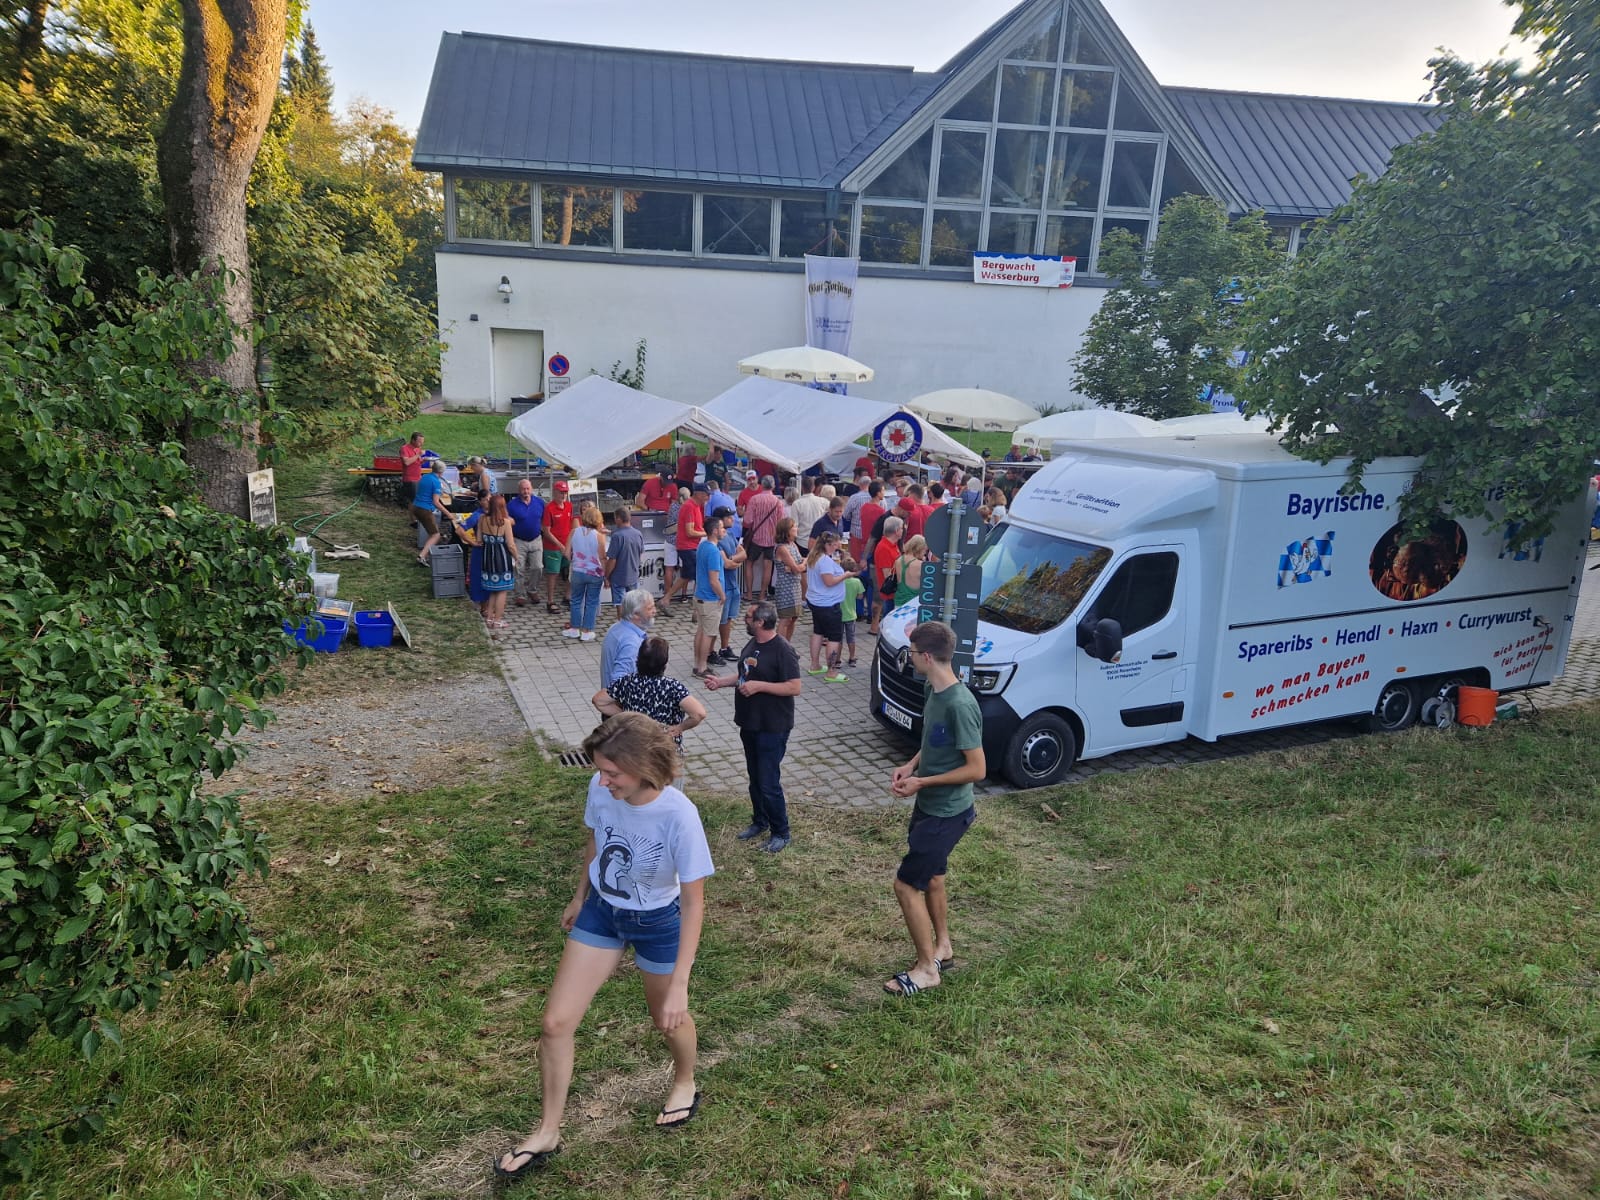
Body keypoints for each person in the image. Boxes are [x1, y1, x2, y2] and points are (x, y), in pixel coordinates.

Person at [492, 715, 714, 1183]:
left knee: (667, 1019)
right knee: (555, 1024)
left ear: (645, 767)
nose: (603, 780)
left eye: (613, 773)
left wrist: (680, 983)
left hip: (657, 921)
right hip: (601, 912)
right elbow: (595, 838)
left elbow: (694, 904)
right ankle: (548, 1131)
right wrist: (579, 896)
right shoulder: (601, 788)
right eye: (600, 770)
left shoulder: (679, 815)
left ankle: (685, 1080)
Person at [883, 621, 985, 998]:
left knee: (906, 885)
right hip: (929, 807)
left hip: (947, 814)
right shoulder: (933, 688)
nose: (909, 658)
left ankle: (927, 970)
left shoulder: (960, 704)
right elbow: (934, 741)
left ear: (926, 656)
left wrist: (922, 782)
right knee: (935, 877)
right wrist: (911, 765)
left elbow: (977, 769)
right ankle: (943, 947)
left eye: (911, 652)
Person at [704, 601, 801, 854]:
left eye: (748, 617)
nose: (743, 620)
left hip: (772, 726)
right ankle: (760, 821)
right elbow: (745, 675)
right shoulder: (753, 643)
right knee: (755, 778)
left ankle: (781, 832)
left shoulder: (783, 650)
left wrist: (760, 687)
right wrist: (721, 682)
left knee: (768, 782)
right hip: (750, 722)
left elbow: (794, 686)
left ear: (760, 622)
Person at [593, 637, 707, 747]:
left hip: (634, 746)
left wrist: (625, 715)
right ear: (664, 664)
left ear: (638, 659)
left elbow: (598, 701)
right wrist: (680, 728)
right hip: (664, 749)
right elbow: (699, 713)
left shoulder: (627, 681)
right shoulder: (673, 687)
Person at [803, 531, 850, 683]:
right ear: (827, 545)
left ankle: (815, 664)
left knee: (818, 632)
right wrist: (846, 575)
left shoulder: (814, 556)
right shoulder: (824, 561)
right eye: (835, 545)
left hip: (815, 601)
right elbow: (829, 582)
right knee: (834, 637)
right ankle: (831, 672)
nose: (837, 547)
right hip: (828, 604)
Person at [563, 503, 607, 642]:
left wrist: (574, 560)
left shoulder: (574, 532)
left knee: (576, 600)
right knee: (591, 602)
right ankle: (587, 631)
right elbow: (602, 557)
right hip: (595, 573)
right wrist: (606, 575)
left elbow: (566, 553)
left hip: (578, 571)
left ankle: (574, 629)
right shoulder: (599, 536)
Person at [690, 512, 727, 676]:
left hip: (700, 596)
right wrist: (722, 595)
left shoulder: (702, 545)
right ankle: (702, 667)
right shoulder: (713, 551)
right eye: (721, 528)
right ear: (714, 531)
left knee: (701, 631)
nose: (724, 530)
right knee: (708, 633)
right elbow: (714, 580)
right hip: (710, 598)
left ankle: (697, 664)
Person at [599, 588, 657, 688]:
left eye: (654, 606)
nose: (654, 611)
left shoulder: (616, 628)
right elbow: (618, 681)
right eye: (649, 608)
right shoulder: (632, 643)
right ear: (635, 614)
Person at [476, 494, 518, 632]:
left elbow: (479, 540)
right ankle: (498, 620)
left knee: (493, 590)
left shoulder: (482, 519)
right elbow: (510, 545)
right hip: (502, 559)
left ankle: (489, 618)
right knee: (502, 591)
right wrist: (517, 557)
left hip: (487, 558)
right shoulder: (505, 522)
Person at [741, 475, 785, 599]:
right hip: (771, 539)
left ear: (762, 485)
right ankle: (762, 595)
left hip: (756, 538)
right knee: (768, 566)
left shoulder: (754, 499)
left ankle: (749, 593)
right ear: (773, 486)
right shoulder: (778, 502)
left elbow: (747, 521)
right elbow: (781, 522)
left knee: (749, 563)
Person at [666, 483, 708, 606]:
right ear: (699, 494)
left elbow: (696, 527)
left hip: (690, 546)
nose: (708, 498)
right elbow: (689, 532)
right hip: (687, 547)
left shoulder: (695, 506)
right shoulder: (689, 506)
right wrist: (707, 533)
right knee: (699, 574)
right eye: (706, 495)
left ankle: (666, 598)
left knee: (687, 575)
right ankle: (698, 602)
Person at [506, 477, 545, 608]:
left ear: (531, 489)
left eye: (528, 488)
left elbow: (544, 520)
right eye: (523, 489)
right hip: (519, 540)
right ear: (519, 490)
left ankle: (532, 590)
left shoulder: (539, 502)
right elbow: (506, 520)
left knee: (538, 567)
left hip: (536, 539)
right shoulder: (511, 505)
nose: (526, 491)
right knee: (518, 568)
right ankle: (520, 595)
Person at [716, 513, 747, 665]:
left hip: (734, 585)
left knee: (729, 618)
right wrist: (733, 561)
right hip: (724, 586)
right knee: (721, 620)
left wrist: (732, 559)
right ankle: (714, 650)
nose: (732, 519)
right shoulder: (716, 541)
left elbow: (743, 553)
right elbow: (726, 565)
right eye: (728, 517)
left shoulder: (730, 535)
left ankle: (725, 647)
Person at [605, 505, 646, 617]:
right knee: (632, 605)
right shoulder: (638, 534)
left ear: (619, 518)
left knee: (621, 605)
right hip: (633, 575)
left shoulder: (617, 536)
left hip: (618, 577)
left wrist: (606, 576)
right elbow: (640, 553)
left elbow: (612, 560)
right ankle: (632, 623)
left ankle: (622, 624)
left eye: (615, 518)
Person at [541, 480, 575, 612]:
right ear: (554, 492)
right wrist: (560, 545)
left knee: (569, 572)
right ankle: (550, 601)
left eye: (565, 492)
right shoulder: (549, 508)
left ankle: (567, 597)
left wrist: (570, 543)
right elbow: (546, 531)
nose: (563, 495)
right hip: (552, 548)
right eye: (561, 492)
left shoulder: (569, 506)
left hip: (567, 545)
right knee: (553, 573)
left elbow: (571, 525)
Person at [771, 516, 804, 642]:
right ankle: (779, 645)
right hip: (785, 588)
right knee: (786, 618)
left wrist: (798, 565)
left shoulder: (793, 545)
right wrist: (801, 565)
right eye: (794, 527)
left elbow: (799, 562)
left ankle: (787, 644)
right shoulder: (782, 548)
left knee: (793, 617)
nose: (796, 528)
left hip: (795, 586)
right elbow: (797, 568)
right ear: (787, 531)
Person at [871, 515, 905, 632]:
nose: (903, 530)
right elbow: (888, 575)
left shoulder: (893, 545)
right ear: (896, 531)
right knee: (889, 623)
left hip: (895, 592)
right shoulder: (884, 548)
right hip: (890, 594)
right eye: (902, 528)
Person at [412, 459, 449, 565]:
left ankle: (427, 554)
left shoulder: (425, 476)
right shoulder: (436, 482)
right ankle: (421, 557)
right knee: (436, 535)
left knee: (432, 532)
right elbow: (436, 502)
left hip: (416, 506)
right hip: (425, 510)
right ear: (441, 472)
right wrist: (448, 514)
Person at [661, 487, 687, 610]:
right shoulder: (687, 507)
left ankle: (667, 595)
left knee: (669, 568)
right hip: (683, 541)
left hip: (670, 540)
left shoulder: (672, 507)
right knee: (684, 568)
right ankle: (684, 595)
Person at [790, 477, 827, 554]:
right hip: (818, 542)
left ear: (802, 487)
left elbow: (794, 526)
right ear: (813, 487)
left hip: (802, 543)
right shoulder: (823, 502)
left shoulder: (797, 504)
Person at [894, 534, 928, 610]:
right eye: (924, 550)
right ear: (919, 548)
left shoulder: (898, 560)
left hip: (899, 602)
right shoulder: (921, 565)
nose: (925, 553)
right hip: (914, 604)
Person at [841, 569, 865, 669]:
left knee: (838, 638)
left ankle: (837, 660)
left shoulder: (839, 581)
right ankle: (852, 657)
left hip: (839, 614)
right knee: (851, 638)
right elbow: (860, 596)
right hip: (851, 614)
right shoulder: (857, 581)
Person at [400, 432, 426, 508]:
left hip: (418, 477)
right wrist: (418, 455)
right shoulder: (404, 448)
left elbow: (417, 462)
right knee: (413, 500)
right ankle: (413, 515)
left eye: (422, 442)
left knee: (419, 499)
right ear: (413, 440)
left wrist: (424, 460)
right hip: (410, 479)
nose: (421, 444)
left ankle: (418, 514)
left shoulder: (418, 449)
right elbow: (407, 462)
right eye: (419, 442)